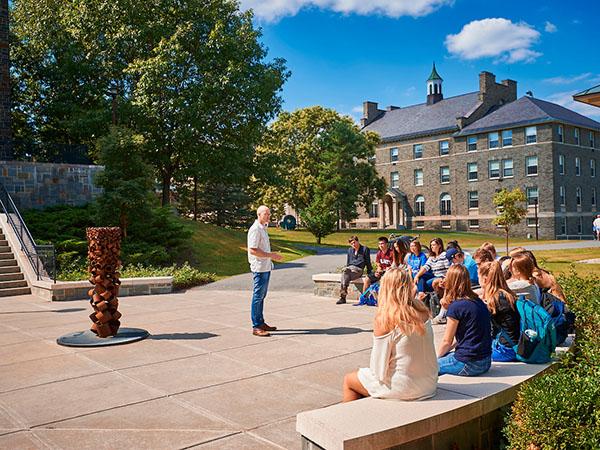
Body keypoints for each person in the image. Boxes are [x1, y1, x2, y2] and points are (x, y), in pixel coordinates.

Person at [342, 268, 438, 402]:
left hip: (404, 388)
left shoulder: (386, 319)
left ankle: (350, 421)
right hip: (429, 383)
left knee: (349, 380)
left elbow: (377, 370)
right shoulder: (422, 310)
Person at [437, 265, 492, 376]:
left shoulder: (456, 307)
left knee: (428, 366)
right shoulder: (477, 301)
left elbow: (446, 342)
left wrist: (436, 357)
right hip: (485, 361)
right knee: (446, 356)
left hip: (468, 364)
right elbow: (468, 335)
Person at [247, 205, 283, 337]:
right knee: (257, 297)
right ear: (259, 214)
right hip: (259, 268)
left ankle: (261, 322)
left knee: (261, 296)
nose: (269, 216)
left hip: (266, 267)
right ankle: (256, 326)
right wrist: (271, 255)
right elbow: (253, 250)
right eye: (266, 214)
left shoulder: (263, 228)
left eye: (269, 214)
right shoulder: (255, 229)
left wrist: (270, 257)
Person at [479, 261, 520, 362]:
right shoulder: (507, 294)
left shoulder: (493, 300)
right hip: (517, 345)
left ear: (484, 279)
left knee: (465, 356)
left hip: (506, 349)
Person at [337, 236, 373, 305]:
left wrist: (369, 272)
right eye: (351, 243)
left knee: (345, 274)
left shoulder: (365, 249)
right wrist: (348, 268)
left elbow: (368, 261)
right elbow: (348, 262)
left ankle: (343, 297)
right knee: (345, 274)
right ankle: (343, 296)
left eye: (354, 242)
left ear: (358, 241)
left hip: (358, 270)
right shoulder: (350, 250)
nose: (353, 245)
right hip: (350, 270)